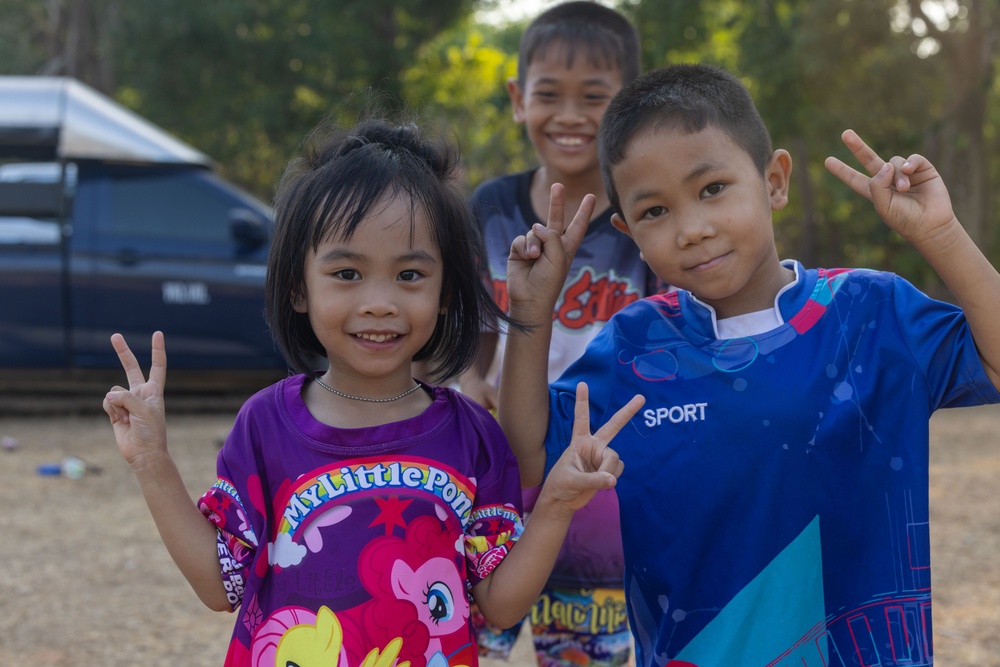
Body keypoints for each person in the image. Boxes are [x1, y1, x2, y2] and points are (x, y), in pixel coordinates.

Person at [498, 63, 1000, 666]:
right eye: (656, 212)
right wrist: (530, 312)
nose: (693, 228)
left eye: (712, 189)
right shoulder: (633, 348)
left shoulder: (870, 314)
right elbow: (526, 451)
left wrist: (942, 234)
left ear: (774, 180)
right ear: (629, 231)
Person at [102, 117, 644, 667]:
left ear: (447, 293)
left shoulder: (474, 436)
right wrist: (152, 461)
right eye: (347, 273)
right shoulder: (264, 424)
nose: (380, 302)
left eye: (410, 275)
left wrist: (554, 503)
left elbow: (499, 607)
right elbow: (222, 587)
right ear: (298, 287)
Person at [462, 4, 656, 665]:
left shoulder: (644, 220)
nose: (570, 115)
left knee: (584, 652)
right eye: (549, 94)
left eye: (594, 97)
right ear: (519, 100)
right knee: (463, 639)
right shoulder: (490, 209)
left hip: (598, 480)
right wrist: (465, 378)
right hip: (495, 472)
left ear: (627, 104)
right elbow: (474, 328)